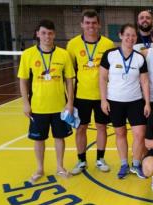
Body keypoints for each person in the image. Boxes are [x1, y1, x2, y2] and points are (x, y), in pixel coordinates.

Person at [18, 19, 75, 183]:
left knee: (59, 138)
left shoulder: (63, 54)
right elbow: (23, 80)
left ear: (54, 34)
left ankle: (60, 167)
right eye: (43, 33)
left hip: (59, 106)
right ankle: (40, 169)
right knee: (38, 139)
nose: (47, 36)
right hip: (38, 106)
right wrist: (25, 103)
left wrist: (69, 103)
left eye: (50, 33)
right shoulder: (28, 54)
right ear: (37, 34)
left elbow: (70, 80)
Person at [66, 9, 115, 175]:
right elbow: (70, 74)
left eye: (94, 23)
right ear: (81, 24)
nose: (91, 26)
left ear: (99, 24)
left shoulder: (108, 44)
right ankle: (81, 160)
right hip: (81, 96)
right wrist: (69, 101)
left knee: (102, 127)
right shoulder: (72, 45)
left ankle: (100, 159)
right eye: (87, 23)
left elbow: (111, 72)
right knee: (81, 128)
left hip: (102, 96)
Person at [99, 24, 151, 179]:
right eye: (127, 35)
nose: (130, 38)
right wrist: (103, 100)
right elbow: (102, 78)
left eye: (133, 35)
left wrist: (147, 102)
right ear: (121, 36)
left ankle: (136, 164)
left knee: (140, 134)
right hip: (115, 101)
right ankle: (123, 164)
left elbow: (145, 82)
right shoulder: (110, 54)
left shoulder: (139, 57)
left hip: (135, 101)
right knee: (120, 133)